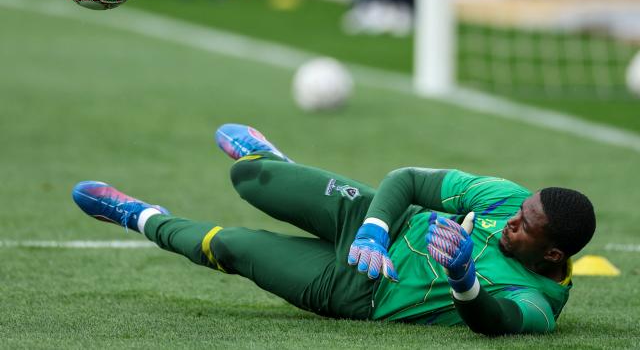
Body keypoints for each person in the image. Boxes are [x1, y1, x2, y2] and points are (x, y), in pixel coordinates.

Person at [72, 123, 596, 335]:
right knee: (248, 177)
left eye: (526, 227)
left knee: (232, 246)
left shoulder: (539, 303)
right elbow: (409, 179)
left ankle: (139, 216)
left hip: (358, 290)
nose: (511, 220)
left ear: (551, 255)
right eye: (518, 212)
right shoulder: (507, 197)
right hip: (375, 219)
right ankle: (275, 164)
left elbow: (494, 322)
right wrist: (372, 227)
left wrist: (464, 278)